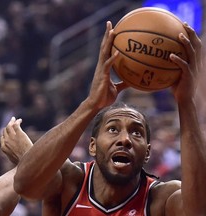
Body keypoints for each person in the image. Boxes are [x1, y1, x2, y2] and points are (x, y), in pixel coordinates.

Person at [14, 21, 206, 215]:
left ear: (147, 152)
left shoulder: (161, 199)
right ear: (92, 145)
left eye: (136, 132)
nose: (125, 139)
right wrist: (91, 103)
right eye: (113, 129)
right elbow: (25, 185)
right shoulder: (70, 182)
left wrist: (185, 102)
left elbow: (198, 211)